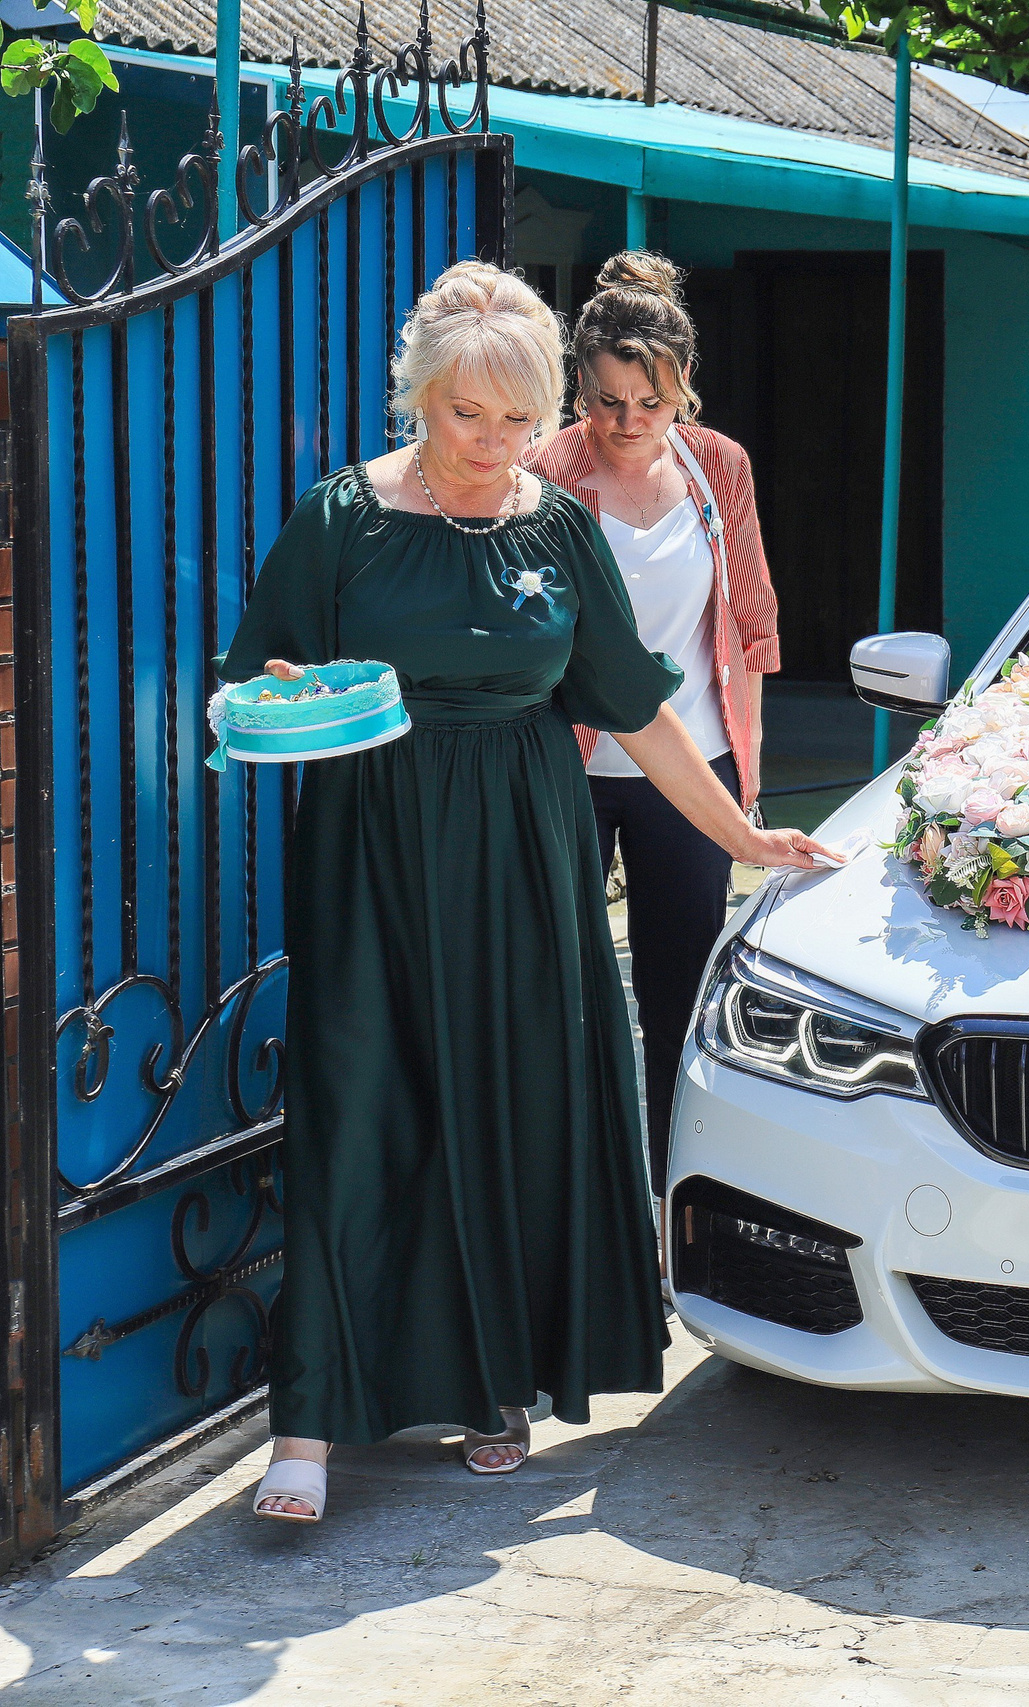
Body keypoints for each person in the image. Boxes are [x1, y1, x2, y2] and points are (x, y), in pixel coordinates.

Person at [232, 261, 837, 1525]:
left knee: (511, 1103)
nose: (494, 445)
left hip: (524, 848)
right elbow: (253, 681)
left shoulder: (556, 526)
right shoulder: (337, 518)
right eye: (469, 416)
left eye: (517, 421)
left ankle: (496, 1382)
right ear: (420, 399)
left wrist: (744, 833)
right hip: (373, 846)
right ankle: (310, 1422)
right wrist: (293, 693)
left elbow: (639, 705)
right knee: (358, 1102)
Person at [526, 251, 778, 1194]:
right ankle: (579, 1208)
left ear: (683, 392)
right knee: (564, 999)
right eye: (606, 401)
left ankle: (673, 1209)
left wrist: (746, 777)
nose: (628, 423)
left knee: (678, 1003)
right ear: (578, 390)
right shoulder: (545, 470)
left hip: (693, 770)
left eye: (651, 402)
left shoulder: (720, 468)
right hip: (569, 767)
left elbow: (749, 620)